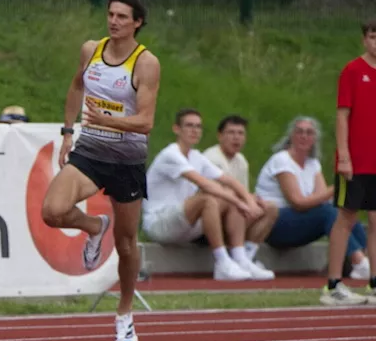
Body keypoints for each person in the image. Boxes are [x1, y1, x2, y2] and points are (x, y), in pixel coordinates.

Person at [40, 0, 160, 341]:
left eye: (123, 16)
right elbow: (77, 86)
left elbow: (146, 122)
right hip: (90, 150)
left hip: (127, 160)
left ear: (137, 22)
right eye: (111, 14)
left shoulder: (145, 63)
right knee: (52, 210)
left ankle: (125, 312)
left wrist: (111, 121)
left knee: (126, 244)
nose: (114, 21)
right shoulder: (91, 49)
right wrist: (66, 131)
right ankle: (94, 226)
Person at [142, 109, 276, 281]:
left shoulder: (196, 156)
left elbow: (229, 180)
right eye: (189, 126)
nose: (194, 130)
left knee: (230, 195)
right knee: (210, 199)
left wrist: (248, 200)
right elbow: (204, 183)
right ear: (177, 129)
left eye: (198, 126)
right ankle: (222, 262)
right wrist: (240, 202)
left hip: (186, 223)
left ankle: (241, 258)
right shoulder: (171, 155)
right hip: (160, 224)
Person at [255, 116, 370, 283]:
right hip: (274, 224)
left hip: (299, 223)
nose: (304, 136)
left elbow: (321, 198)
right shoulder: (282, 160)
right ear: (291, 136)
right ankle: (359, 262)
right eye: (299, 132)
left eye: (309, 133)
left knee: (344, 210)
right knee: (328, 212)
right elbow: (298, 202)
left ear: (315, 139)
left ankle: (363, 261)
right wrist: (338, 186)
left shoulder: (313, 163)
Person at [322, 19, 376, 305]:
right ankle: (333, 285)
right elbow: (342, 114)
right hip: (356, 161)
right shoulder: (353, 71)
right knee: (347, 217)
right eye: (372, 36)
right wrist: (344, 156)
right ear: (364, 39)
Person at [203, 113, 279, 269]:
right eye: (231, 133)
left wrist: (256, 201)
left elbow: (243, 192)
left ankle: (247, 256)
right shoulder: (211, 158)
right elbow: (216, 193)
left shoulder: (241, 161)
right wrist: (248, 201)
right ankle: (233, 259)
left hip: (233, 216)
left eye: (240, 133)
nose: (236, 138)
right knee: (236, 203)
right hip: (211, 215)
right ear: (219, 136)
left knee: (270, 208)